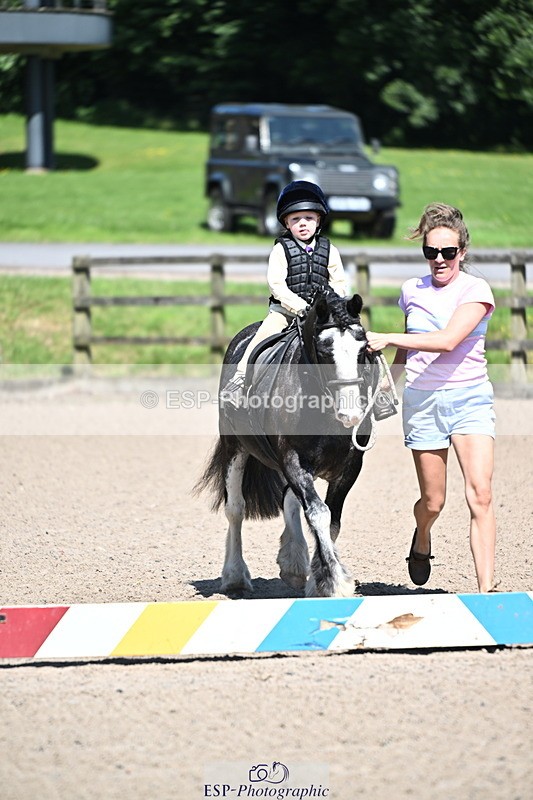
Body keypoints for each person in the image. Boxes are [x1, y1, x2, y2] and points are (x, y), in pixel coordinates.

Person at [366, 203, 498, 593]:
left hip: (470, 398)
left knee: (482, 495)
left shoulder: (476, 290)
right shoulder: (411, 290)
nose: (439, 260)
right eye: (431, 252)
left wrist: (387, 337)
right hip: (423, 402)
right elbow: (413, 341)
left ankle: (486, 592)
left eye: (448, 252)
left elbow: (447, 341)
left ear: (462, 252)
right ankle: (422, 534)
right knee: (433, 502)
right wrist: (390, 377)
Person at [222, 180, 348, 406]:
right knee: (260, 338)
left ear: (318, 220)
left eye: (308, 218)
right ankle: (240, 380)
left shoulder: (330, 250)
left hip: (322, 315)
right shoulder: (280, 249)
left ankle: (374, 391)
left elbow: (339, 282)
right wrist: (301, 308)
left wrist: (331, 305)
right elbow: (276, 286)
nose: (302, 224)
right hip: (285, 312)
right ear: (286, 223)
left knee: (353, 338)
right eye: (295, 219)